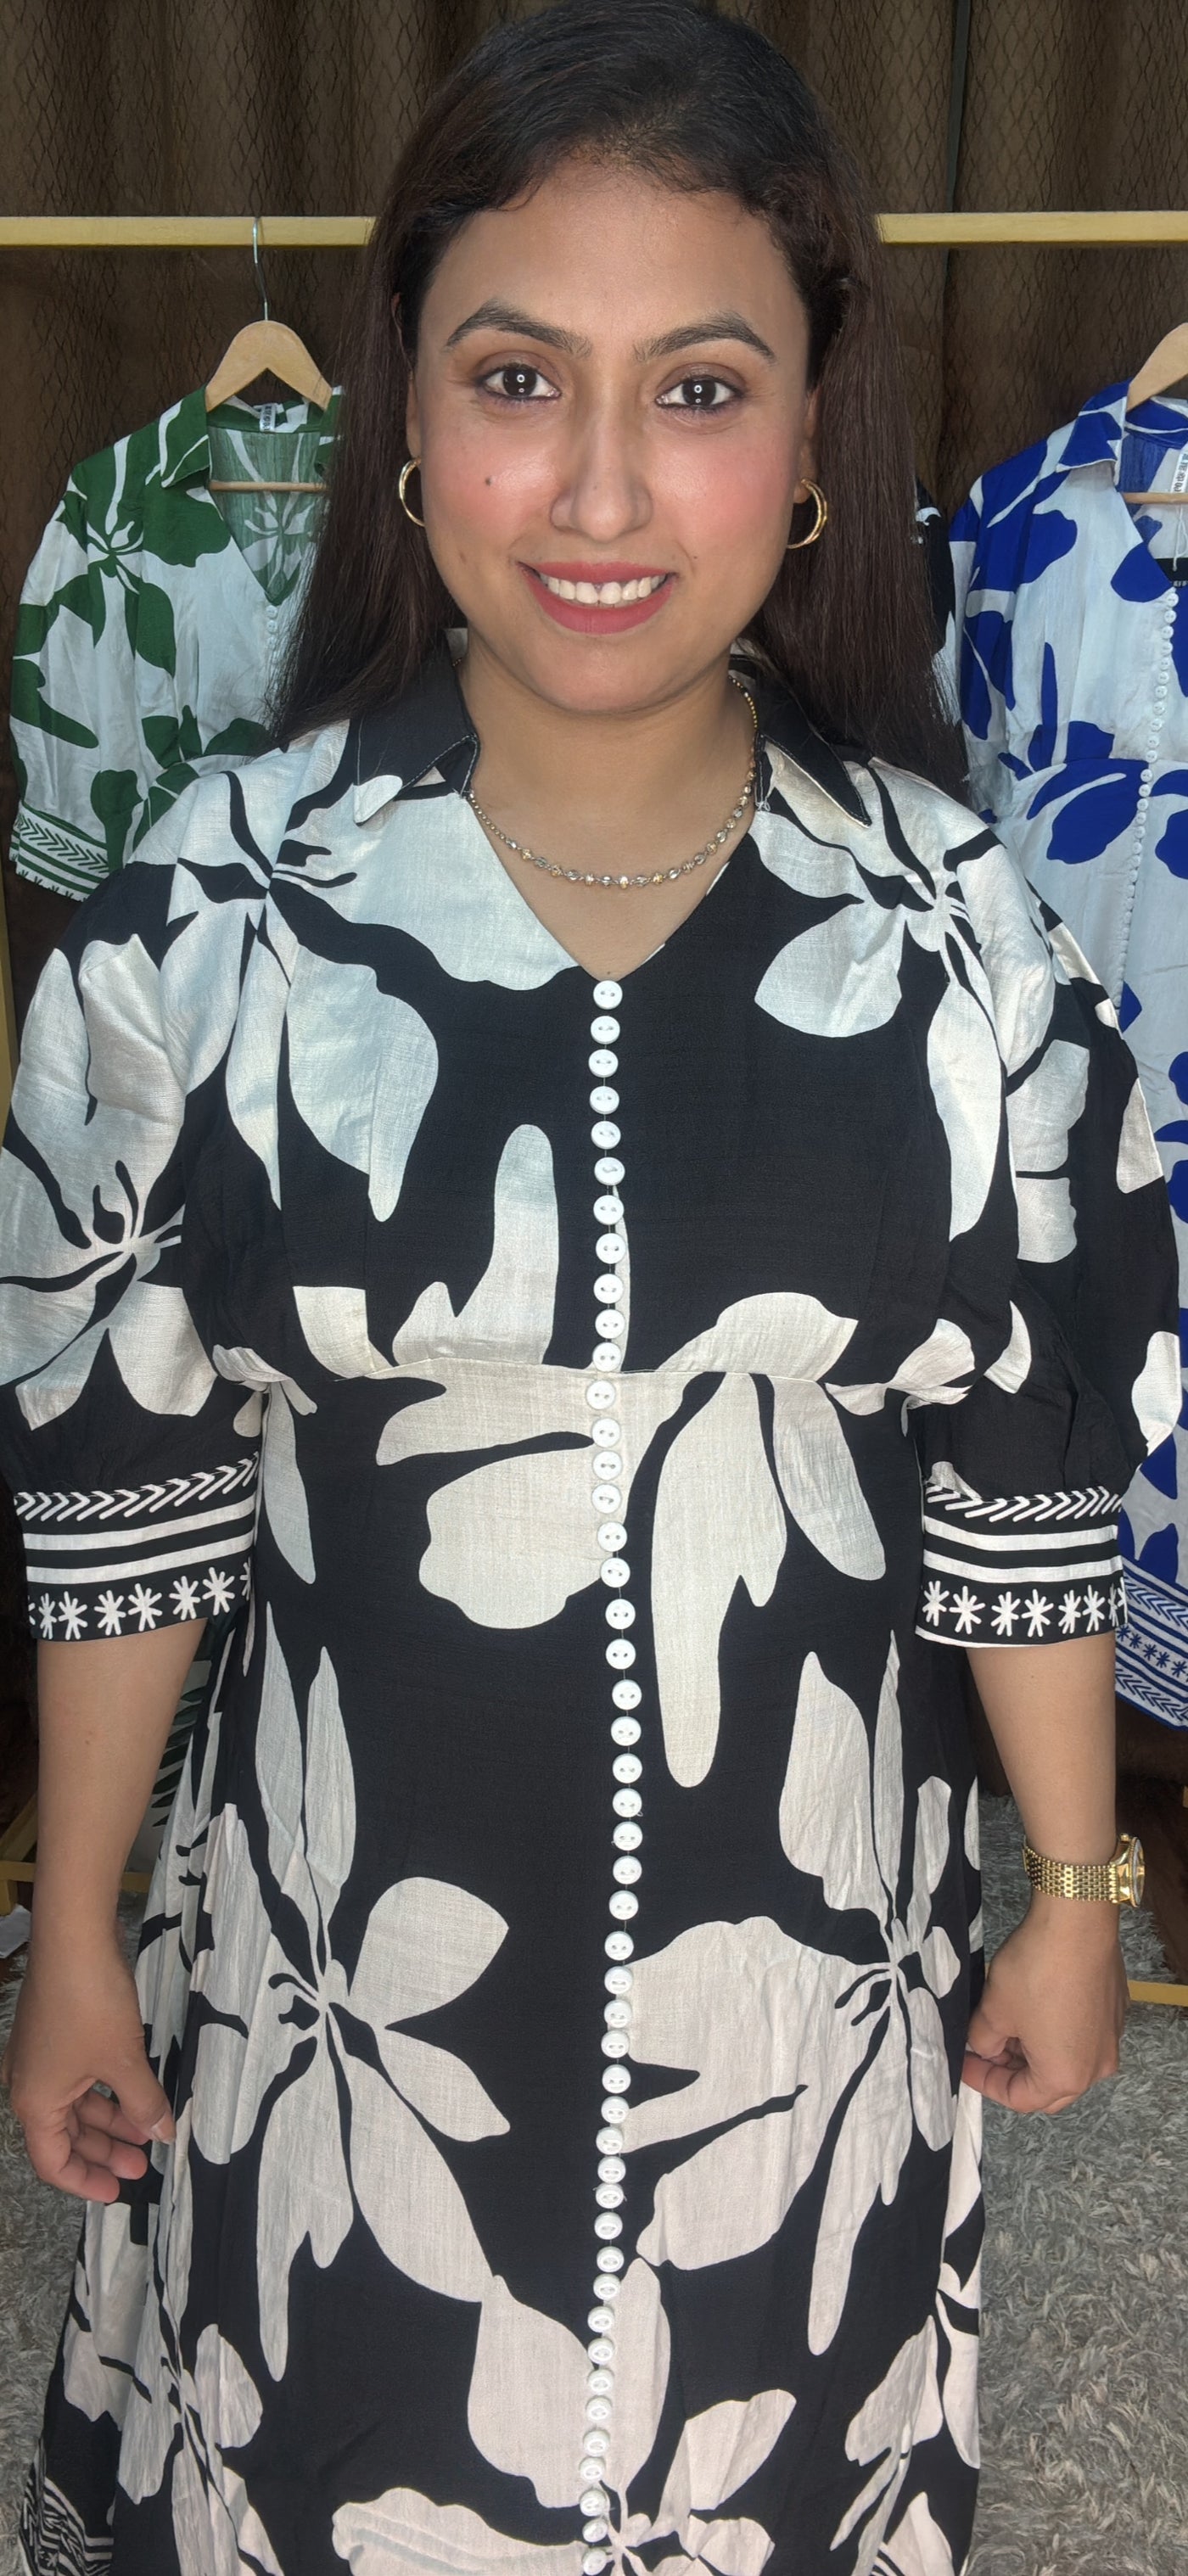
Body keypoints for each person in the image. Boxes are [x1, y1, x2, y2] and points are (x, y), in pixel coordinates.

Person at [0, 6, 1179, 2572]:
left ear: (813, 434)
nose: (608, 490)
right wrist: (74, 1926)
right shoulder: (208, 927)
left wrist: (1079, 1896)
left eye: (703, 388)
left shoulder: (961, 939)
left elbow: (1027, 1464)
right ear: (407, 420)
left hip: (804, 2012)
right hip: (340, 1998)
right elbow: (126, 1479)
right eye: (521, 377)